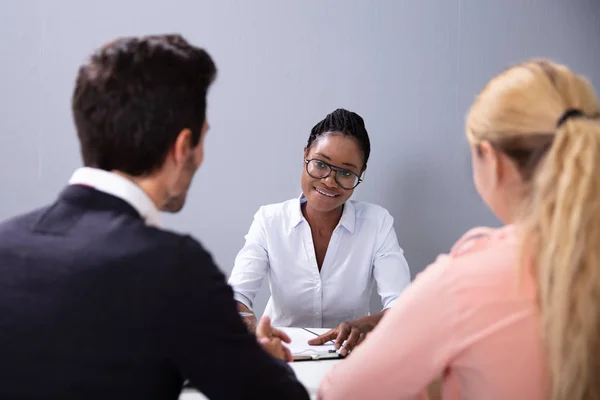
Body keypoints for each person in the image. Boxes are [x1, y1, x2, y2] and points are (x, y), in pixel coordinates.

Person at [0, 34, 308, 400]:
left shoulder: (6, 243)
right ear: (182, 148)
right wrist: (267, 361)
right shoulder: (174, 267)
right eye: (202, 139)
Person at [317, 59, 600, 400]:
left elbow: (341, 393)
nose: (330, 180)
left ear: (490, 159)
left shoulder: (462, 281)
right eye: (321, 165)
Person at [228, 108, 411, 355]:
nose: (329, 181)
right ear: (305, 155)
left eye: (346, 172)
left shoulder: (377, 223)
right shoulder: (269, 221)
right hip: (282, 355)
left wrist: (368, 325)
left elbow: (402, 306)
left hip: (349, 357)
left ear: (361, 173)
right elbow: (237, 293)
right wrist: (241, 315)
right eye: (320, 164)